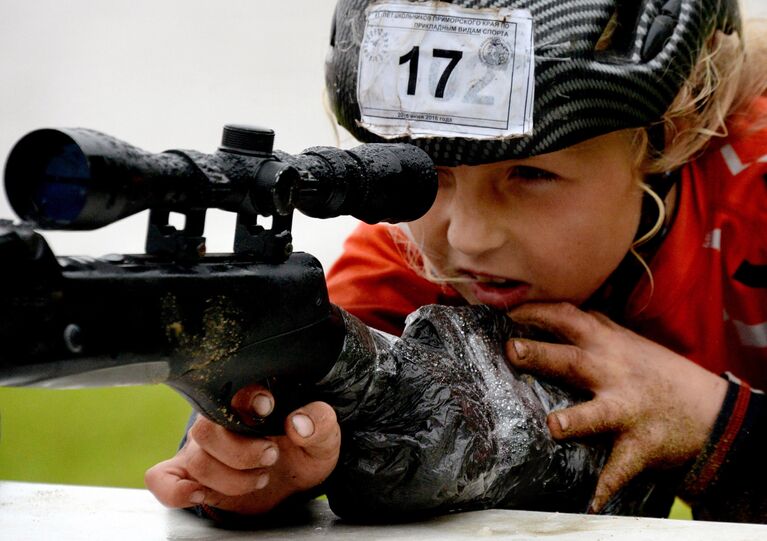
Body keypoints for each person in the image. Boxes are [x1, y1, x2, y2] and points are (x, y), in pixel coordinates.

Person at [145, 0, 767, 523]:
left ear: (678, 125)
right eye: (428, 173)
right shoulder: (411, 246)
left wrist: (713, 423)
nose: (466, 239)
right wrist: (257, 469)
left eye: (530, 173)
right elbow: (267, 416)